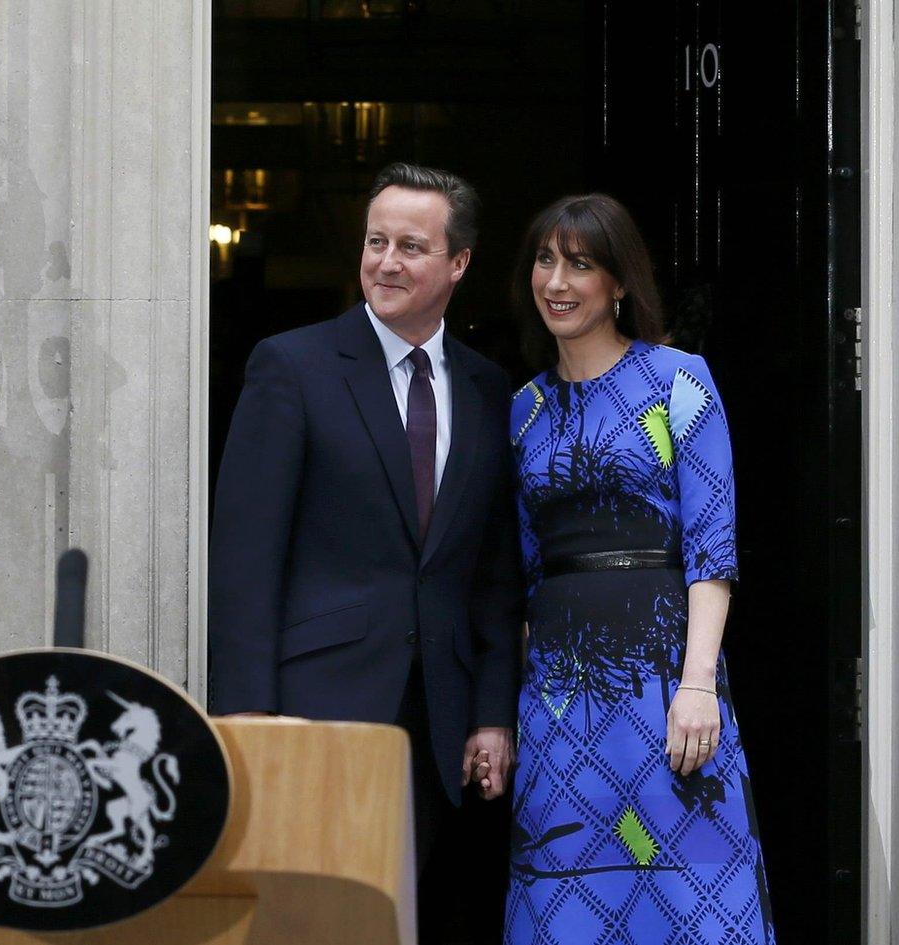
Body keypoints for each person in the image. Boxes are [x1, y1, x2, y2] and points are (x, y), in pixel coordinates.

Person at [209, 163, 523, 940]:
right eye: (376, 241)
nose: (386, 261)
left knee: (413, 916)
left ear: (458, 263)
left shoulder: (489, 388)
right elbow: (245, 558)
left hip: (440, 723)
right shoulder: (292, 365)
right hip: (316, 708)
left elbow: (492, 570)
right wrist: (248, 715)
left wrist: (491, 711)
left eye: (411, 246)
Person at [503, 194, 776, 944]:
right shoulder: (524, 409)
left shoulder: (679, 380)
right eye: (546, 260)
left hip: (664, 689)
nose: (557, 280)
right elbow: (526, 567)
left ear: (619, 283)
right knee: (563, 903)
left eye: (581, 264)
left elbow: (712, 549)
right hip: (559, 701)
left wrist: (697, 685)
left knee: (689, 900)